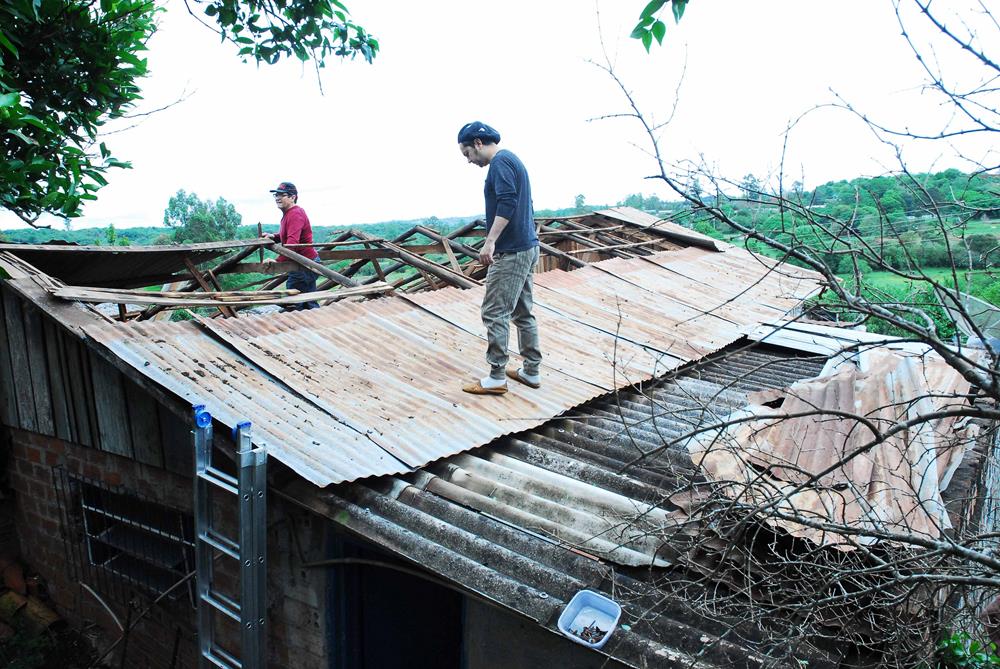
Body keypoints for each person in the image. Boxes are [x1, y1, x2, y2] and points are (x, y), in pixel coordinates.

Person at [457, 121, 542, 395]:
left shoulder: (500, 163)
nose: (469, 161)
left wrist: (490, 242)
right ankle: (531, 371)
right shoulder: (512, 160)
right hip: (527, 246)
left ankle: (496, 377)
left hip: (512, 251)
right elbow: (524, 203)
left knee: (494, 311)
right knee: (522, 311)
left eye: (467, 153)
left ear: (478, 144)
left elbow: (508, 202)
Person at [264, 181, 320, 310]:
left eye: (281, 195)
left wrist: (277, 261)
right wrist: (274, 236)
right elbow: (290, 234)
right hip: (307, 263)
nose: (277, 198)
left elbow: (292, 244)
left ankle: (299, 327)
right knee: (309, 302)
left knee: (294, 304)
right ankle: (316, 324)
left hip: (303, 266)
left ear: (292, 197)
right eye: (276, 195)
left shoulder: (295, 214)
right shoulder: (289, 213)